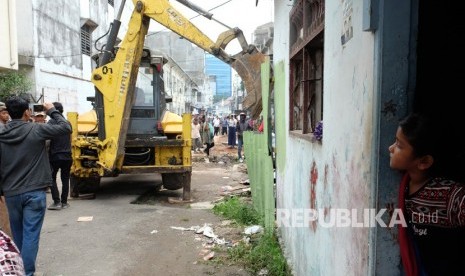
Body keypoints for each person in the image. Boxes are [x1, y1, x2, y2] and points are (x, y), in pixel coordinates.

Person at [0, 96, 72, 276]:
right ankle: (26, 273)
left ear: (8, 113)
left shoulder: (2, 134)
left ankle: (17, 270)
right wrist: (51, 110)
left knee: (18, 236)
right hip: (34, 193)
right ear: (27, 112)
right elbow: (66, 127)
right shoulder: (36, 130)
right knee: (31, 235)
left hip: (11, 194)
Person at [388, 113, 465, 276]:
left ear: (424, 162)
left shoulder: (451, 195)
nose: (391, 149)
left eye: (399, 145)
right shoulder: (403, 188)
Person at [47, 102, 73, 210]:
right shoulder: (67, 123)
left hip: (55, 156)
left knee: (52, 178)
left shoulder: (50, 124)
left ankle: (57, 202)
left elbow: (47, 142)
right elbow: (70, 140)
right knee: (65, 178)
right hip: (67, 155)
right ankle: (65, 202)